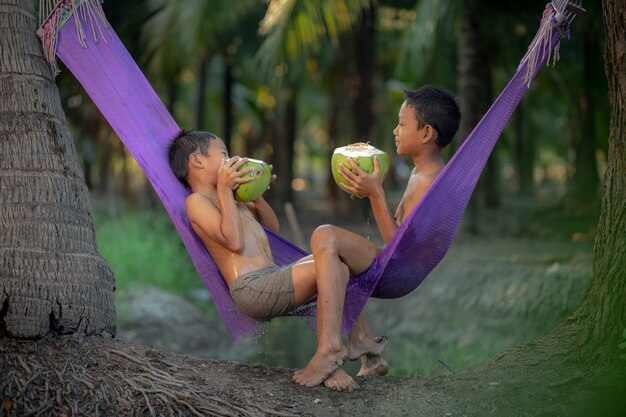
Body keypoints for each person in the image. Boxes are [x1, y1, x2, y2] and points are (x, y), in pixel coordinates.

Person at [167, 130, 387, 392]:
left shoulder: (235, 201)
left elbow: (272, 228)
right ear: (198, 161)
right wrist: (226, 190)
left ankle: (360, 342)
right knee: (329, 263)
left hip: (274, 276)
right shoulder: (197, 202)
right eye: (224, 154)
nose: (232, 160)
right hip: (251, 288)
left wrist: (255, 194)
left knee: (338, 263)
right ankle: (331, 356)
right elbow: (233, 241)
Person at [293, 85, 461, 388]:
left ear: (425, 134)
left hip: (400, 269)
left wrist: (376, 193)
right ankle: (365, 345)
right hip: (399, 265)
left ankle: (330, 349)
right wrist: (367, 187)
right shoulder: (422, 172)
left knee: (324, 238)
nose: (395, 130)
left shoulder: (429, 181)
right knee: (327, 262)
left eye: (402, 123)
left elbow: (399, 247)